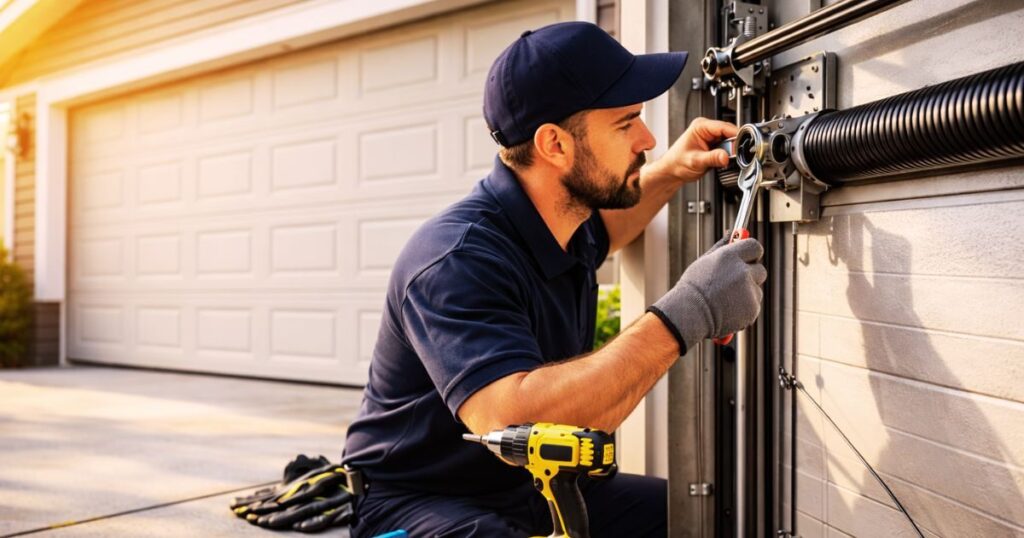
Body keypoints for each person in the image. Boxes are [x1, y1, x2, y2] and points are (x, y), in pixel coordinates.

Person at [342, 21, 766, 537]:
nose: (649, 139)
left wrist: (672, 170)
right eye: (626, 122)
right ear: (555, 146)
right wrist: (689, 311)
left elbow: (610, 228)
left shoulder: (564, 220)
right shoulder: (455, 260)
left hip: (536, 487)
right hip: (420, 503)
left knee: (705, 519)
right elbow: (513, 420)